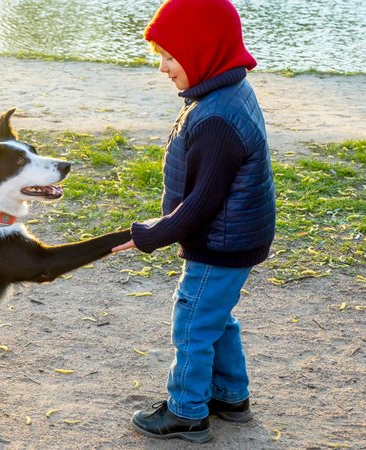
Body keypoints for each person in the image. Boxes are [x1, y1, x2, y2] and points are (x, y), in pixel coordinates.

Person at [111, 0, 276, 443]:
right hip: (233, 236)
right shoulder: (226, 92)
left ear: (202, 51)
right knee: (216, 317)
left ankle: (186, 412)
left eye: (169, 57)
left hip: (220, 243)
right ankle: (229, 395)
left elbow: (202, 205)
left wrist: (152, 235)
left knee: (193, 322)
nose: (163, 68)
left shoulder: (216, 117)